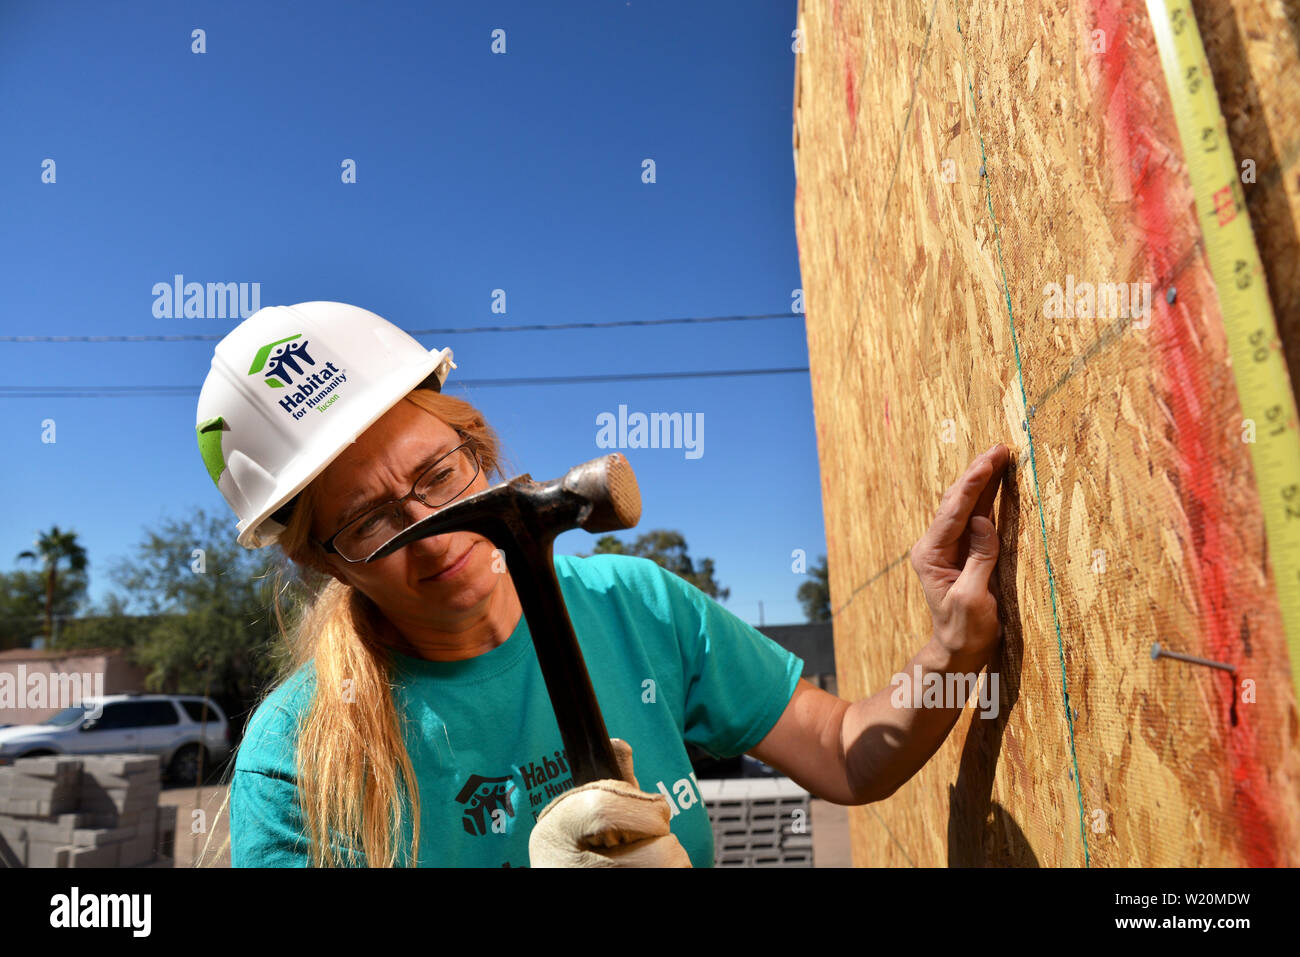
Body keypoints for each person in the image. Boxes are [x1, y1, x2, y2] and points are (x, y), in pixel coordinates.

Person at [195, 301, 1010, 868]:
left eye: (440, 472)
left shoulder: (635, 606)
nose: (434, 529)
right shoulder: (297, 760)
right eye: (374, 522)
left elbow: (845, 756)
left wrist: (951, 650)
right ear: (323, 561)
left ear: (477, 443)